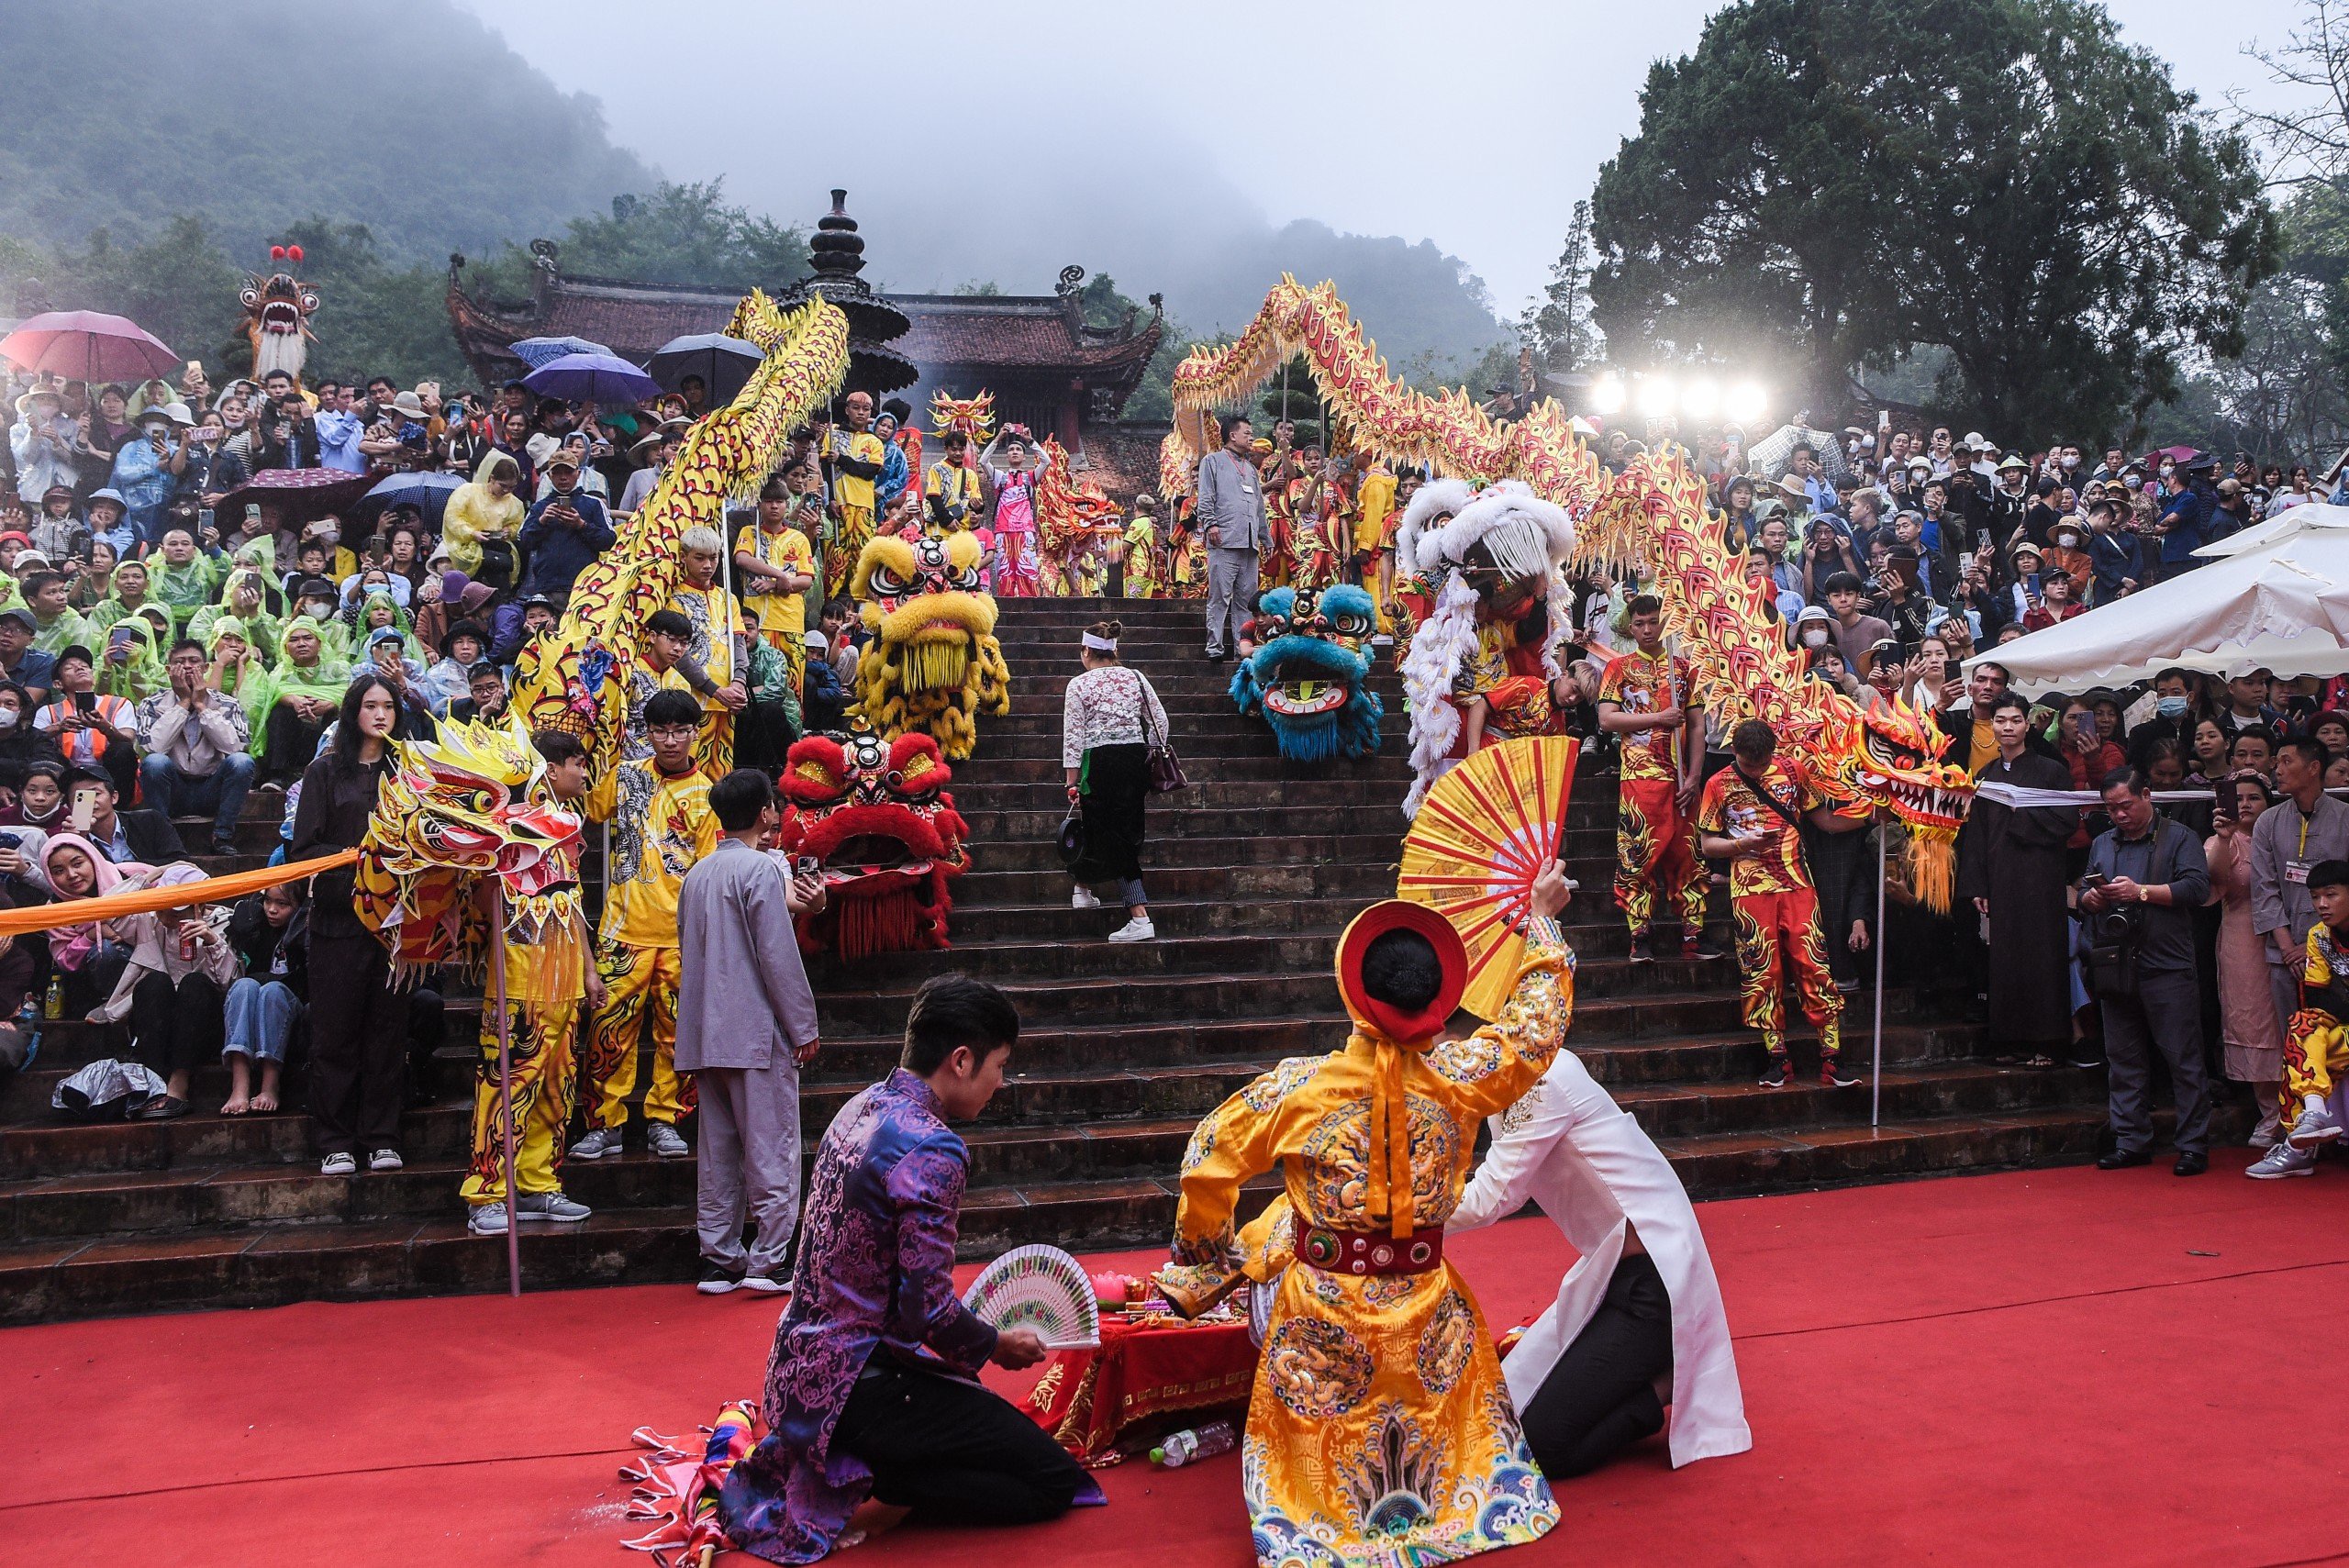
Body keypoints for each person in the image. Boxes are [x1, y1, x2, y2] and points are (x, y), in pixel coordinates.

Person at [1156, 880, 1572, 1568]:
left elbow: (1207, 1156)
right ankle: (1452, 1516)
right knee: (1450, 1376)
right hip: (1428, 1306)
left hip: (1324, 1313)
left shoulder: (1298, 1088)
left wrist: (1205, 1254)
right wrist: (1542, 924)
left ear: (1355, 993)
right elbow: (1534, 1030)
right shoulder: (1461, 1074)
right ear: (1436, 1002)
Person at [718, 974, 1091, 1562]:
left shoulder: (860, 1106)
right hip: (862, 1389)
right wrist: (997, 1344)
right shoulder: (934, 1148)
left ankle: (886, 1463)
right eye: (1000, 1065)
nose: (1002, 1082)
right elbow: (929, 1310)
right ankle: (887, 1479)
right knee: (1051, 1480)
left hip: (796, 1373)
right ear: (961, 1061)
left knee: (985, 1425)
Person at [1449, 1030, 1751, 1478]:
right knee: (1499, 1412)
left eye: (1446, 1045)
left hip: (1654, 1285)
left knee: (1541, 1446)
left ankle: (1661, 1385)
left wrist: (1390, 1218)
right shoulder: (1504, 1085)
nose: (1440, 1059)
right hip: (1609, 1278)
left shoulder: (1544, 1078)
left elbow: (1494, 1196)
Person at [674, 769, 825, 1294]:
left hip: (703, 1031)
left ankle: (719, 1257)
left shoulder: (697, 875)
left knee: (718, 1153)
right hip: (754, 1032)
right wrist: (802, 1025)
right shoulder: (761, 870)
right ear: (764, 812)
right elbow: (777, 958)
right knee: (770, 1146)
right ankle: (771, 1257)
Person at [462, 730, 602, 1237]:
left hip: (565, 979)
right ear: (550, 768)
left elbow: (574, 907)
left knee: (557, 1084)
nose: (584, 775)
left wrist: (588, 969)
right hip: (519, 979)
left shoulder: (566, 831)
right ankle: (487, 1192)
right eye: (577, 765)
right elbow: (481, 902)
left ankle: (538, 1183)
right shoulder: (504, 832)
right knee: (505, 1085)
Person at [573, 689, 718, 1165]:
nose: (670, 740)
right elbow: (585, 808)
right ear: (647, 733)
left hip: (681, 936)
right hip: (621, 930)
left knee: (679, 1033)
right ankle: (604, 1123)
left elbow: (711, 871)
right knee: (608, 1030)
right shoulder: (628, 777)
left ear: (696, 732)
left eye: (679, 731)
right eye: (660, 731)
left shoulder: (709, 794)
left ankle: (665, 1118)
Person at [293, 674, 415, 1175]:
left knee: (387, 1035)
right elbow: (303, 853)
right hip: (337, 923)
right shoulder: (324, 773)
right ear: (352, 713)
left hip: (396, 927)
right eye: (371, 706)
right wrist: (364, 860)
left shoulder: (411, 773)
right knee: (335, 1034)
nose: (381, 715)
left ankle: (382, 1136)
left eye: (389, 706)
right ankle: (334, 1140)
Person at [1697, 720, 1860, 1088]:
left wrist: (1871, 816)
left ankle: (1832, 1058)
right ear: (1734, 752)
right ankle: (1777, 1059)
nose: (1754, 768)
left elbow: (1825, 820)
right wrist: (1741, 845)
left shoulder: (1792, 770)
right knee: (1761, 972)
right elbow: (1707, 845)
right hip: (1750, 890)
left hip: (1798, 883)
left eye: (1761, 762)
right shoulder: (1718, 784)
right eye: (1747, 763)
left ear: (1772, 752)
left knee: (1813, 965)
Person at [2078, 769, 2212, 1174]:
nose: (2119, 815)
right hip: (2115, 964)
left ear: (2147, 795)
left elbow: (2197, 890)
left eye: (2126, 805)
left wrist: (2139, 892)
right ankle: (2131, 1140)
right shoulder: (2103, 842)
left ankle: (2192, 1145)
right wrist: (2092, 899)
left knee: (2183, 1059)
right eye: (2111, 808)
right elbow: (2081, 893)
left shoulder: (2179, 837)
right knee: (2123, 1057)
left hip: (2166, 964)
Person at [1956, 693, 2079, 1065]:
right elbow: (1975, 834)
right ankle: (2010, 1041)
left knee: (2043, 954)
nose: (2007, 727)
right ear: (1991, 725)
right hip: (2001, 878)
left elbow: (2066, 821)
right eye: (2000, 721)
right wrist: (1977, 884)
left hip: (2040, 875)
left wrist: (2018, 819)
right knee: (2005, 958)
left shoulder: (2050, 770)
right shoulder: (1986, 775)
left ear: (2027, 724)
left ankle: (2049, 1042)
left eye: (2014, 720)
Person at [1598, 595, 1711, 965]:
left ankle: (1693, 936)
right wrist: (1657, 719)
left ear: (1665, 624)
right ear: (1630, 628)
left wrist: (1695, 776)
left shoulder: (1684, 669)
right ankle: (1640, 936)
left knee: (1687, 855)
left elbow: (1697, 725)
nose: (1647, 630)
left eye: (1653, 622)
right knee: (1637, 855)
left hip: (1681, 781)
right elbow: (1607, 720)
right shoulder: (1618, 668)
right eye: (1640, 624)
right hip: (1640, 777)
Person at [92, 862, 239, 1122]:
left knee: (194, 984)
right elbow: (106, 910)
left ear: (200, 905)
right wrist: (152, 876)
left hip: (202, 1023)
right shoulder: (148, 920)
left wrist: (212, 941)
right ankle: (154, 1079)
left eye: (177, 911)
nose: (169, 915)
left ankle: (178, 1085)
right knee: (153, 982)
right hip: (157, 1022)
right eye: (165, 906)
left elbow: (230, 984)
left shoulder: (223, 921)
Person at [1061, 621, 1166, 943]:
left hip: (1099, 761)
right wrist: (1149, 750)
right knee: (1109, 827)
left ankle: (1139, 917)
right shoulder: (1136, 677)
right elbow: (1159, 720)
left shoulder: (1078, 685)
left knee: (1112, 833)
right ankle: (1083, 887)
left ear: (1086, 651)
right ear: (1114, 651)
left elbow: (1073, 735)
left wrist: (1072, 780)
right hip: (1134, 759)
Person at [2250, 734, 2349, 1075]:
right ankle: (2300, 1119)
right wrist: (2289, 946)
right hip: (2284, 954)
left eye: (2286, 761)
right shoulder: (2268, 822)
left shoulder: (2345, 818)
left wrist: (2314, 946)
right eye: (2276, 761)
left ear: (2313, 768)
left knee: (2337, 1039)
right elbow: (2264, 889)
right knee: (2293, 1040)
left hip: (2338, 951)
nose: (2277, 769)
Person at [2246, 858, 2349, 1177]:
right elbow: (2319, 999)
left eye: (2331, 895)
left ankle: (2296, 1148)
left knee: (2304, 1043)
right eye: (2316, 896)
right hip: (2344, 1027)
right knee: (2302, 1029)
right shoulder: (2319, 936)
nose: (2322, 904)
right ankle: (2312, 1119)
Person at [2207, 772, 2287, 1151]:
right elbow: (2211, 882)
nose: (2245, 804)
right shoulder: (2224, 839)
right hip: (2242, 938)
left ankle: (2305, 1107)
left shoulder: (2283, 835)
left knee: (2290, 1021)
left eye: (2254, 797)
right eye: (2238, 797)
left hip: (2291, 935)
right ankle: (2271, 1114)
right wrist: (2223, 839)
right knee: (2254, 1022)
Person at [134, 638, 257, 856]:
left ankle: (223, 836)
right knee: (154, 762)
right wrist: (182, 703)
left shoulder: (227, 703)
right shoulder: (151, 704)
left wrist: (201, 706)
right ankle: (163, 838)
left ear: (206, 668)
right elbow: (155, 748)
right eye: (180, 662)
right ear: (168, 670)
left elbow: (234, 747)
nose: (188, 667)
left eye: (194, 661)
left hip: (212, 788)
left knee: (242, 762)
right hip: (174, 790)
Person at [666, 527, 750, 776]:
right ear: (684, 557)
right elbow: (678, 653)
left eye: (713, 558)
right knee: (690, 770)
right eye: (699, 558)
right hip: (692, 699)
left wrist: (738, 683)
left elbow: (738, 644)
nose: (708, 565)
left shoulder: (727, 599)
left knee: (721, 771)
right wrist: (714, 689)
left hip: (727, 699)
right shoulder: (675, 598)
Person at [221, 879, 307, 1117]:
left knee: (272, 990)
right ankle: (240, 1084)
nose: (272, 909)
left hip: (288, 1010)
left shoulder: (303, 932)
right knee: (244, 986)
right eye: (268, 901)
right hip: (252, 1004)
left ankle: (269, 1085)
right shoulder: (257, 926)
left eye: (282, 904)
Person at [734, 476, 818, 698]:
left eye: (779, 501)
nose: (774, 506)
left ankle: (793, 731)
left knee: (792, 686)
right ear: (759, 504)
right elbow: (742, 559)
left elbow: (807, 580)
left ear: (787, 504)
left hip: (789, 621)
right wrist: (780, 575)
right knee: (756, 683)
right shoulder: (749, 533)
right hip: (756, 623)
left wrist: (774, 584)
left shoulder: (799, 539)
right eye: (769, 501)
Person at [1197, 417, 1267, 662]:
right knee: (1219, 596)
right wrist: (1210, 524)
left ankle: (1242, 647)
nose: (1251, 437)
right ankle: (1214, 647)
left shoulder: (1250, 469)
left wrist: (1265, 538)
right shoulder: (1212, 461)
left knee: (1246, 600)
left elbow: (1259, 507)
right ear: (1232, 435)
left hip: (1249, 543)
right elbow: (1205, 497)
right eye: (1247, 432)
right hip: (1223, 539)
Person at [35, 647, 137, 801]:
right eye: (69, 667)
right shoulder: (48, 711)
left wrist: (105, 727)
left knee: (123, 750)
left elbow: (128, 739)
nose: (79, 667)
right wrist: (59, 727)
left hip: (109, 773)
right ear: (58, 684)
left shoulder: (118, 704)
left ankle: (119, 808)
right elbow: (30, 741)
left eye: (85, 665)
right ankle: (58, 802)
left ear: (93, 678)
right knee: (41, 748)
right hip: (65, 773)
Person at [518, 450, 617, 603]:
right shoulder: (539, 508)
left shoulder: (593, 504)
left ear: (578, 473)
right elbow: (524, 542)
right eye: (557, 473)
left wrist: (582, 525)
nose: (563, 477)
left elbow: (609, 541)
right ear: (549, 476)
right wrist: (542, 522)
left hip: (585, 585)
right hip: (547, 586)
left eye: (568, 472)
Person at [822, 391, 887, 601]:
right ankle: (831, 604)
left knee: (863, 556)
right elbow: (825, 470)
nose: (861, 413)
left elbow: (869, 470)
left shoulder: (874, 441)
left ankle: (864, 605)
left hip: (863, 506)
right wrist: (829, 498)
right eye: (856, 408)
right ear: (847, 410)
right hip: (838, 503)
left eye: (865, 409)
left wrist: (842, 459)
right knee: (835, 556)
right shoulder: (832, 434)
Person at [64, 763, 182, 864]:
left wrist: (130, 868)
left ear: (114, 797)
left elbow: (179, 861)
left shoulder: (150, 820)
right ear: (70, 807)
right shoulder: (72, 840)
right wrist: (78, 844)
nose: (91, 802)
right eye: (80, 798)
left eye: (96, 794)